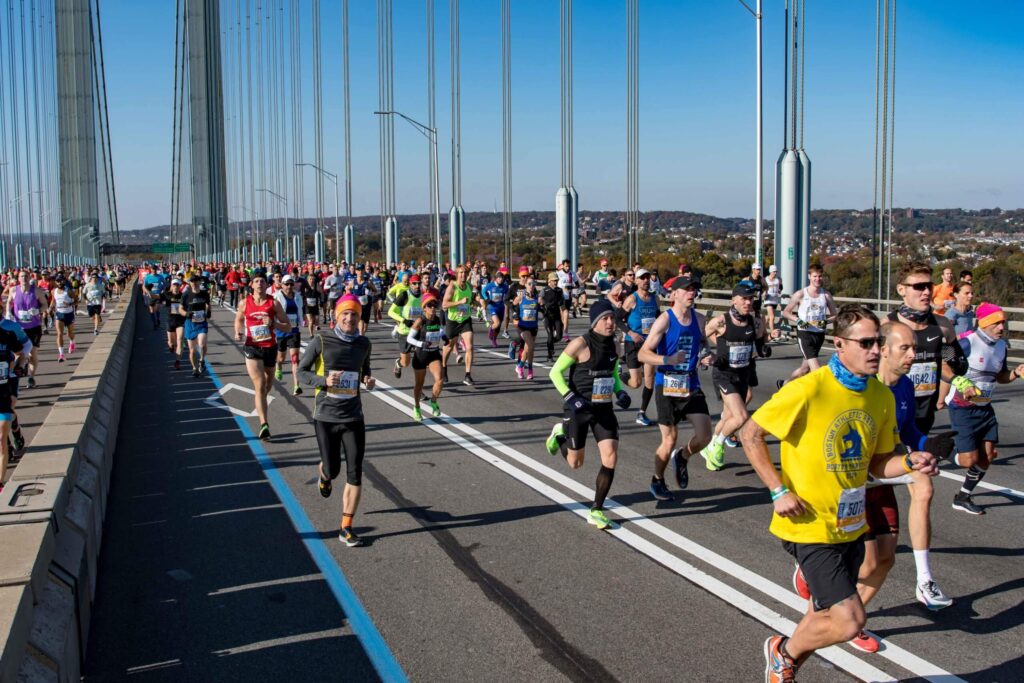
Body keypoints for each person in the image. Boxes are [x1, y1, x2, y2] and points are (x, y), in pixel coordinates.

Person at [740, 304, 939, 683]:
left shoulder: (879, 396)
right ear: (839, 345)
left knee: (823, 615)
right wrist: (777, 490)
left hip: (850, 523)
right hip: (808, 523)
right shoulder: (809, 388)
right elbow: (750, 433)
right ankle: (783, 652)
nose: (875, 351)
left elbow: (880, 464)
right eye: (865, 343)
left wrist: (912, 463)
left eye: (877, 342)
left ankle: (784, 667)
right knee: (850, 621)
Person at [544, 299, 633, 530]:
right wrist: (569, 397)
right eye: (605, 318)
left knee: (611, 456)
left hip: (603, 407)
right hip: (578, 407)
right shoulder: (580, 344)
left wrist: (619, 392)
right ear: (594, 322)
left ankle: (596, 509)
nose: (611, 322)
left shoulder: (615, 345)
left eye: (612, 318)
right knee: (575, 463)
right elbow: (555, 373)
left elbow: (612, 373)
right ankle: (559, 435)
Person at [297, 294, 375, 547]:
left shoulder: (364, 343)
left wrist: (367, 381)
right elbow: (302, 372)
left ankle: (346, 527)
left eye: (354, 314)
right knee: (333, 469)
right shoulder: (321, 339)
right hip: (326, 415)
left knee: (355, 473)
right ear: (336, 316)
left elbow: (365, 370)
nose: (350, 318)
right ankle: (324, 475)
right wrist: (324, 381)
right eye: (345, 313)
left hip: (354, 416)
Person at [638, 275, 713, 499]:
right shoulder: (665, 320)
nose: (692, 293)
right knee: (669, 439)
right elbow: (643, 353)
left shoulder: (699, 320)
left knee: (705, 436)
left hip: (690, 383)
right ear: (675, 294)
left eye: (694, 289)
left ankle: (683, 457)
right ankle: (657, 479)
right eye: (687, 290)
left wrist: (706, 356)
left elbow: (702, 344)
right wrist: (666, 360)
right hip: (667, 384)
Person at [946, 303, 1024, 515]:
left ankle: (963, 496)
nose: (1001, 327)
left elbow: (1000, 376)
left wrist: (1016, 372)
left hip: (985, 409)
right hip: (962, 408)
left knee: (987, 456)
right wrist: (956, 384)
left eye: (1003, 323)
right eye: (997, 323)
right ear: (985, 322)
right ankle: (940, 449)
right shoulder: (967, 342)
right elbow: (943, 360)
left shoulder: (1000, 347)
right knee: (968, 460)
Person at [700, 284, 776, 470]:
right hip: (724, 374)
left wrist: (769, 341)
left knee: (728, 416)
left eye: (750, 299)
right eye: (743, 298)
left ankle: (708, 447)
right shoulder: (721, 322)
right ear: (733, 300)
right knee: (741, 416)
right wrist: (705, 355)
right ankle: (718, 444)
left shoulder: (757, 322)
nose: (748, 302)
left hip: (743, 373)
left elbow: (761, 348)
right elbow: (700, 338)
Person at [886, 262, 964, 434]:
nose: (927, 292)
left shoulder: (942, 326)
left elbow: (960, 365)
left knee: (920, 458)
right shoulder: (886, 326)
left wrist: (946, 355)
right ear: (901, 290)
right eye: (919, 287)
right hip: (891, 410)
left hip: (925, 412)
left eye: (929, 286)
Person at [234, 272, 293, 440]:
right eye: (257, 281)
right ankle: (264, 424)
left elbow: (288, 327)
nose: (260, 284)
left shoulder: (273, 303)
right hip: (252, 347)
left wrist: (274, 323)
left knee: (267, 385)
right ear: (251, 285)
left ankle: (261, 402)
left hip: (270, 347)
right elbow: (238, 319)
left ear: (267, 285)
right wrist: (238, 332)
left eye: (262, 281)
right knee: (259, 385)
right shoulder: (245, 303)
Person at [616, 268, 660, 426]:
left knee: (650, 380)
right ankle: (619, 375)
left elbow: (659, 318)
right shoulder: (631, 299)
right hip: (632, 343)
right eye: (643, 278)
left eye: (648, 277)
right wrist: (630, 333)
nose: (646, 280)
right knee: (636, 383)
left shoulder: (655, 299)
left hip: (650, 343)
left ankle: (642, 412)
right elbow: (617, 319)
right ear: (636, 281)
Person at [780, 264, 837, 387]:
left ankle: (785, 384)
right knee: (816, 369)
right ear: (809, 277)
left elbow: (834, 315)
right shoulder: (800, 294)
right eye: (815, 276)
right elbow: (785, 312)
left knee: (804, 370)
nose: (817, 279)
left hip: (819, 334)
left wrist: (825, 321)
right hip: (805, 334)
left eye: (820, 276)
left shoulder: (826, 295)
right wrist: (799, 321)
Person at [404, 288, 445, 421]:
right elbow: (409, 339)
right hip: (421, 355)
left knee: (440, 379)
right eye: (429, 306)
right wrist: (421, 344)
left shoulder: (438, 320)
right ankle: (416, 407)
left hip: (433, 354)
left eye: (434, 305)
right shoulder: (420, 321)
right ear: (424, 308)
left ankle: (433, 401)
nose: (433, 308)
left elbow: (440, 332)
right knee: (419, 384)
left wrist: (444, 337)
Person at [0, 325, 29, 492]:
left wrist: (17, 367)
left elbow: (21, 353)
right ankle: (15, 431)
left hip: (4, 391)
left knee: (1, 439)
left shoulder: (6, 334)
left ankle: (0, 483)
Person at [441, 266, 476, 386]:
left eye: (465, 272)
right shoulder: (452, 287)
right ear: (457, 274)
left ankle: (467, 375)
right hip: (453, 321)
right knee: (449, 346)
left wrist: (476, 302)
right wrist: (459, 302)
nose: (463, 275)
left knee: (470, 346)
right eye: (461, 273)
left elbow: (471, 301)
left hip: (465, 319)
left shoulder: (469, 287)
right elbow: (444, 305)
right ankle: (444, 368)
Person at [272, 274, 303, 393]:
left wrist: (302, 320)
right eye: (287, 284)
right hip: (281, 331)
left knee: (295, 359)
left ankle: (296, 386)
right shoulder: (276, 297)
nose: (289, 286)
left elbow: (300, 309)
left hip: (294, 330)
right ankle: (278, 366)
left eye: (291, 284)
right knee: (281, 358)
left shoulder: (298, 296)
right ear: (282, 285)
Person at [388, 274, 423, 379]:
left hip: (417, 331)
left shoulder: (423, 296)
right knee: (406, 363)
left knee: (422, 357)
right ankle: (398, 363)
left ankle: (419, 381)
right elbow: (391, 312)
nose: (417, 286)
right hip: (404, 332)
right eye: (414, 284)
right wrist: (404, 320)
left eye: (419, 283)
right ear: (410, 284)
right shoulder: (405, 295)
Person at [510, 278, 540, 379]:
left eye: (533, 283)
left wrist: (543, 304)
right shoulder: (521, 297)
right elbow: (512, 306)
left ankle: (529, 369)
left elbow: (543, 309)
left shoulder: (537, 297)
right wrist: (515, 313)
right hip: (523, 326)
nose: (531, 285)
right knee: (531, 345)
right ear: (526, 285)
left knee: (529, 350)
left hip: (533, 327)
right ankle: (521, 365)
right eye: (529, 283)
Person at [50, 278, 78, 363]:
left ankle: (72, 342)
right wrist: (50, 308)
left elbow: (76, 301)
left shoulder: (68, 291)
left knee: (70, 333)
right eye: (58, 281)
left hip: (69, 313)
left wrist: (69, 304)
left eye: (61, 281)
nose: (59, 282)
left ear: (64, 282)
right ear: (56, 282)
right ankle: (61, 354)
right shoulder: (53, 291)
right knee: (59, 334)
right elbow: (53, 300)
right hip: (59, 313)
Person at [162, 278, 187, 370]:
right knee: (171, 343)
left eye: (177, 285)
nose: (175, 286)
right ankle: (171, 346)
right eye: (174, 285)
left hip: (180, 321)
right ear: (171, 286)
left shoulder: (183, 296)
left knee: (180, 340)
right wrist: (148, 290)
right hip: (170, 321)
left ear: (180, 286)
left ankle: (177, 361)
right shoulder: (167, 295)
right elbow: (156, 297)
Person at [481, 270, 509, 348]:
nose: (501, 279)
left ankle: (494, 340)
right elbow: (483, 291)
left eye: (502, 278)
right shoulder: (490, 285)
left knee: (498, 326)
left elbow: (508, 294)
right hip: (493, 307)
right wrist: (487, 298)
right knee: (497, 323)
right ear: (496, 278)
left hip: (501, 307)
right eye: (499, 278)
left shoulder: (505, 286)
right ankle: (491, 328)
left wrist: (508, 299)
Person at [541, 272, 564, 362]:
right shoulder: (545, 290)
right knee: (550, 335)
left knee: (559, 337)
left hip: (557, 316)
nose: (555, 282)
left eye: (556, 280)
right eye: (554, 281)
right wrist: (543, 304)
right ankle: (550, 355)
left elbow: (562, 301)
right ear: (549, 281)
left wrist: (562, 303)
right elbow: (540, 299)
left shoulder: (559, 290)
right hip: (547, 316)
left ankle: (550, 345)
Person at [763, 264, 782, 334]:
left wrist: (779, 291)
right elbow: (762, 289)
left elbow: (780, 288)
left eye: (776, 271)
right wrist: (764, 293)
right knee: (772, 317)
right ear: (770, 272)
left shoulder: (778, 279)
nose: (775, 273)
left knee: (768, 317)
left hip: (775, 300)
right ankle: (772, 333)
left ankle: (761, 329)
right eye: (774, 271)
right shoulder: (765, 279)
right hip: (768, 299)